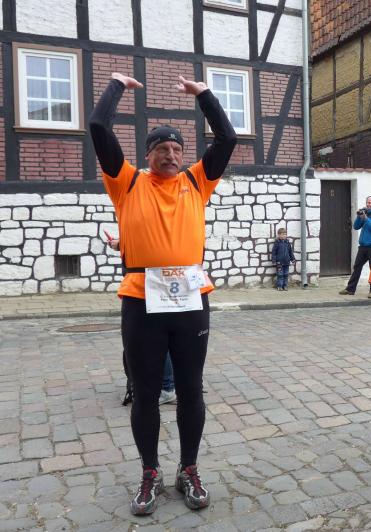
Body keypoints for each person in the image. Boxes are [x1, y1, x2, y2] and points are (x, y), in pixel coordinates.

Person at [90, 71, 236, 516]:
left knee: (191, 388)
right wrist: (116, 85)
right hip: (142, 298)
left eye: (176, 149)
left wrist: (204, 95)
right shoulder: (127, 182)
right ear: (147, 154)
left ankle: (188, 469)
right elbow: (98, 128)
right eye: (161, 149)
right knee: (147, 391)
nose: (170, 155)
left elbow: (227, 139)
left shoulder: (197, 181)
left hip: (190, 298)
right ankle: (149, 472)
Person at [106, 233, 177, 406]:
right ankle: (163, 385)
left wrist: (122, 244)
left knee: (159, 340)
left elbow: (150, 242)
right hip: (152, 284)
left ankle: (167, 388)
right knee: (158, 339)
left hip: (152, 285)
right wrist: (121, 244)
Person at [339, 196, 371, 297]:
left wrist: (366, 218)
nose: (368, 204)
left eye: (370, 202)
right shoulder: (365, 214)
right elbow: (356, 227)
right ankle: (350, 289)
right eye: (367, 202)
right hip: (363, 246)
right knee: (357, 267)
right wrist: (359, 217)